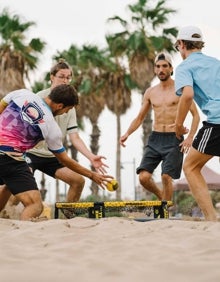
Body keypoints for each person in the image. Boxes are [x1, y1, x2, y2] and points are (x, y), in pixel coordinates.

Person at [0, 84, 113, 220]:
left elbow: (1, 108)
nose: (65, 113)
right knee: (35, 205)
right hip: (9, 157)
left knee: (8, 187)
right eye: (68, 109)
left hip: (9, 157)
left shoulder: (23, 94)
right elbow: (64, 160)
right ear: (60, 106)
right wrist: (91, 175)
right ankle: (23, 238)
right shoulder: (51, 127)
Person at [24, 59, 108, 205]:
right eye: (61, 76)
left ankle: (67, 221)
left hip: (53, 156)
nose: (65, 80)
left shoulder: (70, 106)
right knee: (15, 188)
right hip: (30, 153)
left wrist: (91, 157)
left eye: (68, 77)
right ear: (52, 77)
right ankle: (8, 216)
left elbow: (74, 137)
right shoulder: (38, 98)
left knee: (78, 181)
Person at [120, 52, 200, 201]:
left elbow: (196, 115)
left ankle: (165, 212)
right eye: (158, 66)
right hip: (155, 139)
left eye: (164, 66)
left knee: (166, 176)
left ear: (171, 68)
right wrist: (127, 134)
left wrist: (190, 137)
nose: (161, 69)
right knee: (143, 178)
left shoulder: (181, 89)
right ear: (155, 70)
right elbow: (139, 118)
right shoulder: (150, 92)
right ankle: (163, 198)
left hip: (174, 139)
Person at [174, 25, 220, 221]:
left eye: (178, 46)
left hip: (217, 122)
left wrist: (178, 125)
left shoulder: (184, 67)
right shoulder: (216, 63)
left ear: (182, 45)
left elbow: (188, 95)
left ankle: (211, 219)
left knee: (191, 167)